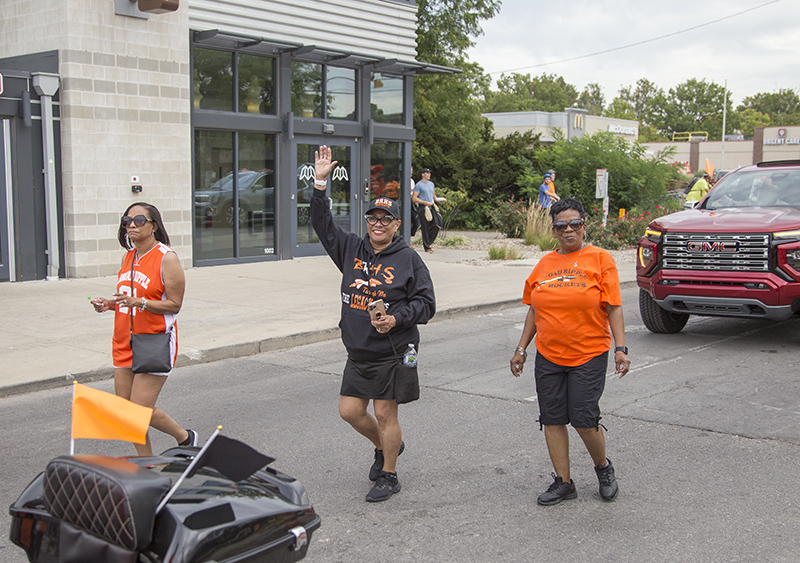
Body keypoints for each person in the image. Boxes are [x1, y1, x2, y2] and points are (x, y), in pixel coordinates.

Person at [311, 146, 436, 502]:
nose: (378, 224)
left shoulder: (408, 259)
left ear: (397, 224)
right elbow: (321, 224)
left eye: (386, 219)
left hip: (393, 350)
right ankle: (386, 447)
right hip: (359, 349)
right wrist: (321, 182)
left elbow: (427, 305)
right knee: (350, 411)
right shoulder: (351, 249)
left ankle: (390, 474)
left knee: (384, 412)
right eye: (373, 218)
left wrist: (396, 318)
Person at [509, 197, 631, 505]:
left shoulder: (601, 259)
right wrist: (521, 349)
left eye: (575, 224)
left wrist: (621, 348)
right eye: (561, 225)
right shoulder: (545, 264)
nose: (568, 230)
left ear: (584, 226)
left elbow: (614, 308)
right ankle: (564, 482)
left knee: (584, 419)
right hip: (549, 354)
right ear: (553, 229)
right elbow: (534, 311)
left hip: (589, 353)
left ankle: (603, 468)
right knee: (551, 419)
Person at [90, 202, 197, 456]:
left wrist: (141, 302)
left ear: (154, 226)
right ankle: (147, 465)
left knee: (138, 411)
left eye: (139, 220)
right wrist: (109, 304)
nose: (132, 225)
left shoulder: (166, 258)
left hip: (153, 341)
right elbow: (128, 299)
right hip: (123, 342)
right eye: (127, 221)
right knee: (127, 413)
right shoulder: (129, 257)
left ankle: (183, 436)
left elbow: (174, 304)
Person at [412, 168, 439, 253]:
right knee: (425, 227)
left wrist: (438, 200)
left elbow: (433, 196)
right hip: (423, 208)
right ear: (423, 174)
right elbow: (414, 198)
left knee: (437, 225)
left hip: (431, 206)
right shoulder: (419, 185)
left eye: (429, 173)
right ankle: (427, 247)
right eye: (427, 173)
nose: (429, 174)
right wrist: (424, 202)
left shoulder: (431, 184)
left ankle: (429, 242)